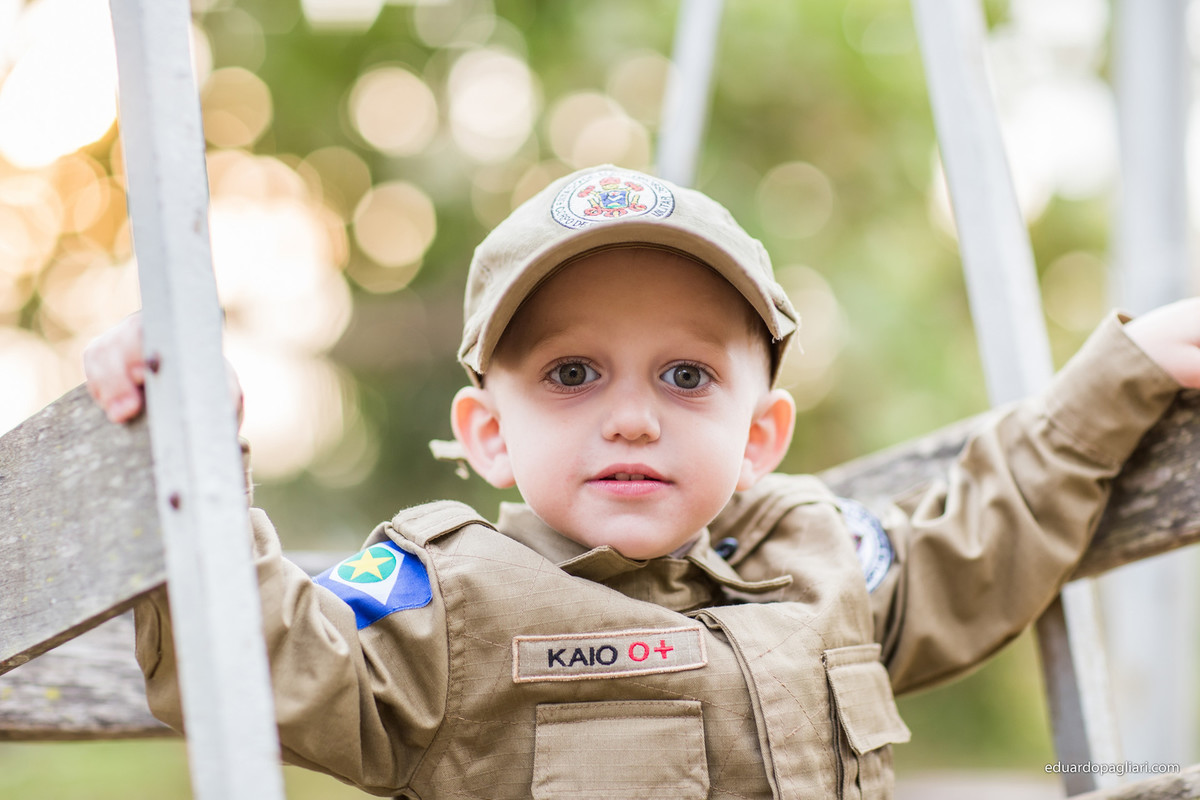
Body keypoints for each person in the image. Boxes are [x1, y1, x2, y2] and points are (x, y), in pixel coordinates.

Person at [84, 165, 1198, 799]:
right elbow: (260, 658)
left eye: (686, 373)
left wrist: (1126, 371)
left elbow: (981, 537)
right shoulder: (446, 603)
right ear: (489, 433)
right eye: (571, 373)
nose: (630, 413)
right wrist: (184, 455)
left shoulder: (819, 559)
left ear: (761, 431)